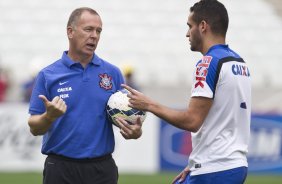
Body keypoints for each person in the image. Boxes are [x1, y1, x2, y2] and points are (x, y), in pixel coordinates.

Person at [121, 0, 251, 183]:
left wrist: (149, 104)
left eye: (190, 26)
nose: (187, 33)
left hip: (214, 169)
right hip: (233, 164)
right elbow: (224, 118)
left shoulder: (208, 63)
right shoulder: (240, 63)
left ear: (203, 26)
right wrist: (195, 162)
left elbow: (192, 120)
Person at [27, 7, 143, 184]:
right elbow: (35, 128)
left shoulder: (112, 73)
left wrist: (135, 130)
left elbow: (129, 120)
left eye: (98, 31)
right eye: (88, 29)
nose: (94, 35)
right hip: (60, 168)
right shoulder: (48, 75)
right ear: (70, 32)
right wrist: (49, 116)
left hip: (102, 169)